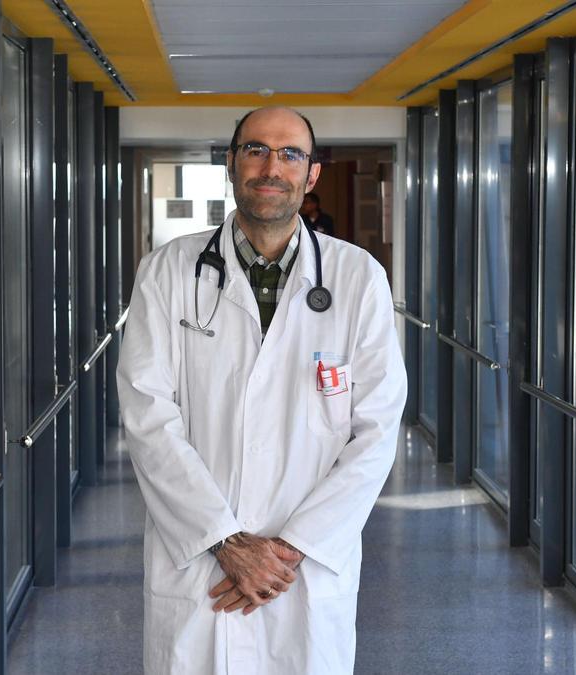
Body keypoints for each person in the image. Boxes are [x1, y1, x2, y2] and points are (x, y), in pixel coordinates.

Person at [117, 106, 407, 674]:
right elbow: (148, 417)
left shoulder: (357, 277)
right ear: (231, 163)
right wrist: (225, 541)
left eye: (290, 153)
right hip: (201, 557)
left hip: (304, 568)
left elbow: (376, 429)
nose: (271, 167)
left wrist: (288, 551)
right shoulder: (168, 270)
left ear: (311, 174)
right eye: (255, 150)